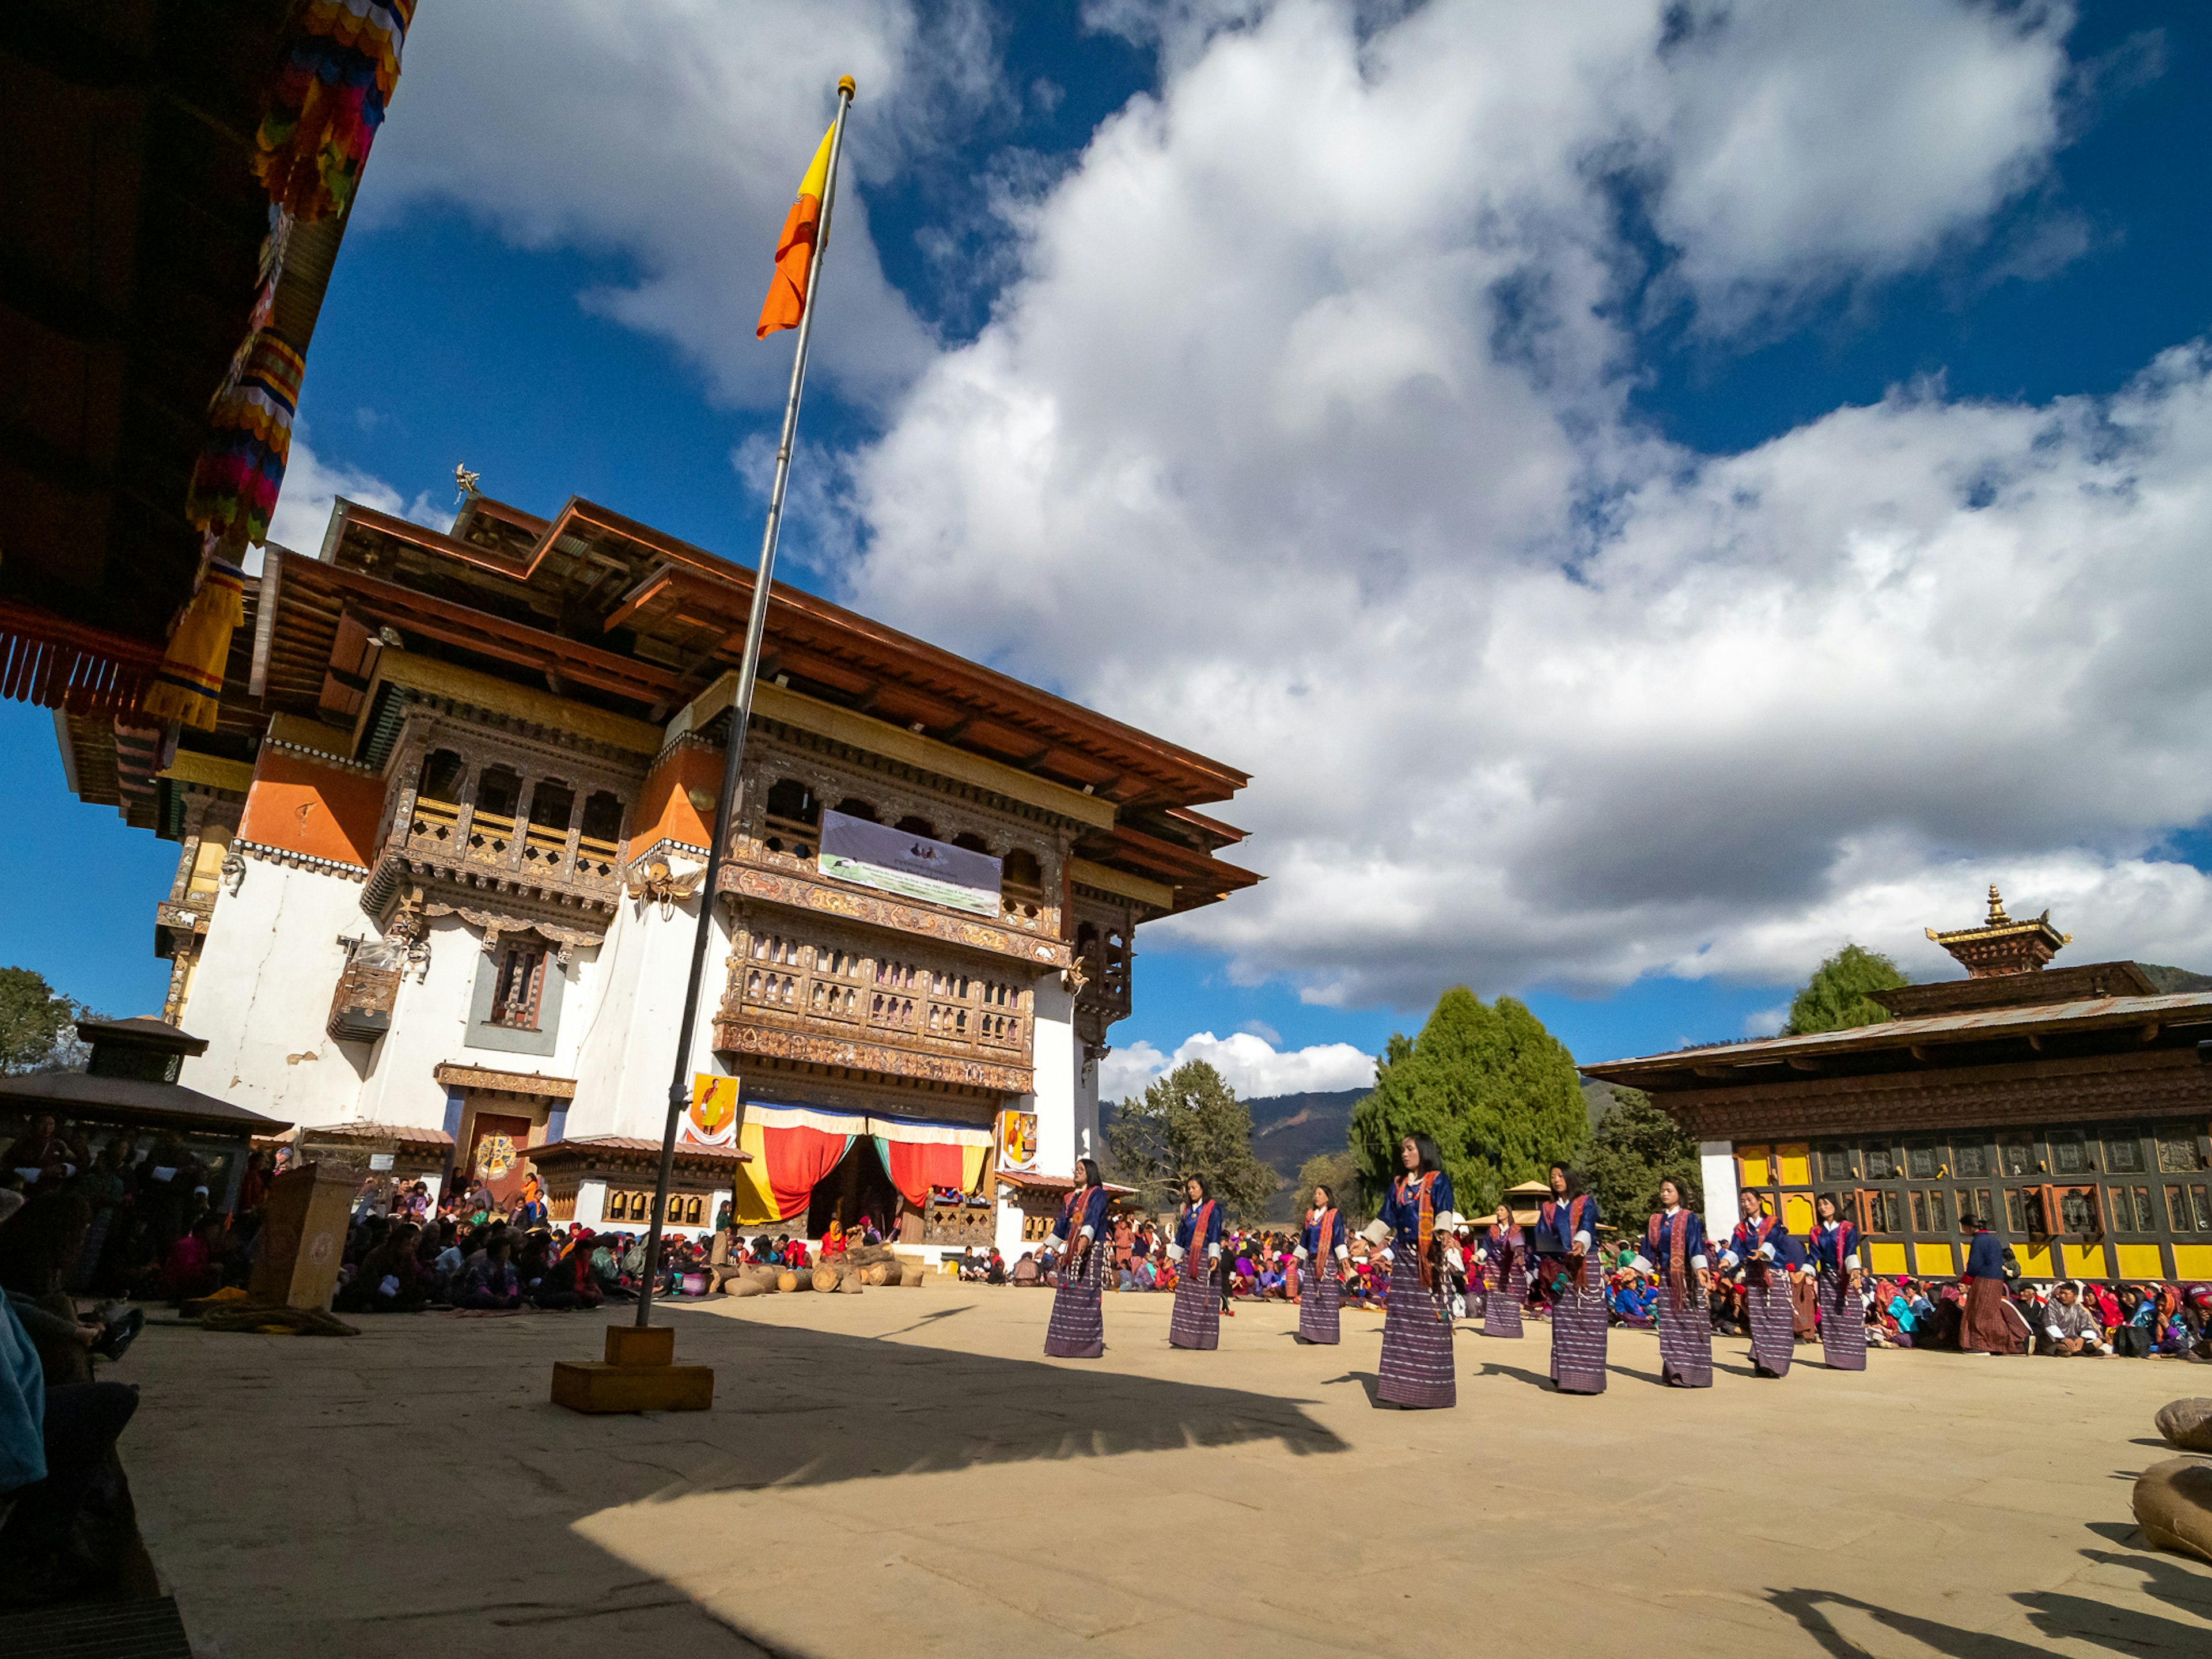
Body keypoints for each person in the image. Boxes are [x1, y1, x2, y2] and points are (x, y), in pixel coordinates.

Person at [1375, 1134, 1456, 1408]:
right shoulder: (1398, 1186)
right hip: (1405, 1261)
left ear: (1423, 1151)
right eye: (1403, 1150)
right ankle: (1403, 1390)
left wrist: (1444, 1232)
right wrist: (1365, 1241)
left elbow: (1445, 1210)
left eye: (1410, 1149)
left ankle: (1430, 1392)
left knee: (1430, 1321)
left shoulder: (1437, 1181)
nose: (1405, 1154)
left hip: (1429, 1259)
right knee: (1402, 1323)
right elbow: (1386, 1217)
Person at [1533, 1162, 1605, 1394]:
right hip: (1561, 1269)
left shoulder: (1586, 1202)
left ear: (1570, 1178)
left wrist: (1581, 1242)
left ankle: (1590, 1380)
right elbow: (1541, 1236)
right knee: (1564, 1324)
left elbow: (1588, 1224)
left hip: (1586, 1265)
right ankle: (1565, 1377)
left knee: (1589, 1321)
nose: (1556, 1180)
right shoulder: (1547, 1209)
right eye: (1553, 1176)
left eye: (1561, 1175)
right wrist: (1554, 1259)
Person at [1719, 1190, 1804, 1378]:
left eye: (1750, 1200)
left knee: (1779, 1320)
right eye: (1743, 1201)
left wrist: (1762, 1253)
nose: (1746, 1204)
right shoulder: (1742, 1228)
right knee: (1760, 1320)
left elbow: (1775, 1241)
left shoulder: (1774, 1223)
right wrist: (1727, 1260)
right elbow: (1736, 1248)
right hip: (1754, 1276)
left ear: (1759, 1201)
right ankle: (1762, 1362)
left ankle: (1777, 1364)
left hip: (1775, 1275)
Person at [1638, 1177, 1710, 1387]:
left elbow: (1696, 1246)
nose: (1665, 1194)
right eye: (1662, 1190)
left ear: (1679, 1193)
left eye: (1669, 1190)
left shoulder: (1690, 1219)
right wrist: (1633, 1271)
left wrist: (1701, 1269)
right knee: (1670, 1326)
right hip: (1667, 1279)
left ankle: (1694, 1374)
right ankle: (1675, 1371)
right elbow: (1647, 1251)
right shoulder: (1655, 1221)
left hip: (1688, 1279)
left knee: (1690, 1325)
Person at [1043, 1159, 1109, 1358]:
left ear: (1090, 1173)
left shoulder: (1097, 1194)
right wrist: (1048, 1246)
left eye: (1081, 1170)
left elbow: (1093, 1216)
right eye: (1076, 1169)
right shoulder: (1071, 1198)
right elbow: (1063, 1223)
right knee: (1067, 1293)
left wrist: (1084, 1238)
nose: (1077, 1173)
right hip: (1072, 1250)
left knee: (1086, 1295)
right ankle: (1063, 1344)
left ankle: (1086, 1347)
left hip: (1090, 1249)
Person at [1808, 1192, 1866, 1371]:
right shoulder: (1816, 1231)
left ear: (1835, 1205)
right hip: (1826, 1277)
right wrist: (1805, 1270)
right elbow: (1814, 1254)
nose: (1823, 1208)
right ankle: (1835, 1359)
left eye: (1826, 1204)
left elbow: (1850, 1251)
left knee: (1850, 1316)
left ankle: (1853, 1360)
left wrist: (1854, 1272)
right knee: (1831, 1318)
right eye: (1820, 1205)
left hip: (1845, 1276)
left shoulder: (1848, 1228)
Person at [1168, 1175, 1225, 1349]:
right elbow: (1181, 1235)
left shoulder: (1213, 1209)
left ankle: (1202, 1341)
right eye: (1189, 1188)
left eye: (1194, 1188)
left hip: (1205, 1258)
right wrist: (1171, 1257)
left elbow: (1215, 1233)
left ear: (1203, 1188)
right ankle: (1183, 1338)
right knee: (1185, 1299)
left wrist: (1214, 1256)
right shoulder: (1187, 1211)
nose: (1191, 1191)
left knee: (1202, 1302)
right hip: (1188, 1257)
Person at [1959, 1215, 2027, 1355]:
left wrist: (1967, 1277)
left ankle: (1980, 1346)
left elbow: (1975, 1264)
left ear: (1969, 1227)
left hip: (1984, 1280)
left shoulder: (1979, 1241)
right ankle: (2008, 1343)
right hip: (1997, 1280)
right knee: (1993, 1313)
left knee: (1978, 1312)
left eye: (1964, 1227)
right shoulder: (1994, 1240)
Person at [1294, 1184, 1348, 1344]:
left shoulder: (1334, 1216)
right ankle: (1310, 1334)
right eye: (1315, 1193)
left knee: (1327, 1297)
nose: (1316, 1196)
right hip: (1310, 1261)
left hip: (1327, 1261)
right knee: (1310, 1298)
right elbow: (1305, 1240)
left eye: (1320, 1194)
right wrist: (1296, 1257)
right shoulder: (1310, 1217)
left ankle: (1327, 1335)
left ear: (1327, 1198)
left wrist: (1344, 1259)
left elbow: (1339, 1237)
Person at [1475, 1203, 1526, 1339]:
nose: (1499, 1212)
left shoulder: (1516, 1230)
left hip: (1509, 1267)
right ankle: (1494, 1329)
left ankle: (1511, 1330)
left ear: (1508, 1213)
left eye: (1502, 1210)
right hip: (1493, 1267)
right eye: (1497, 1210)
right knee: (1494, 1296)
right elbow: (1486, 1246)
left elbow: (1519, 1246)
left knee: (1510, 1297)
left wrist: (1518, 1255)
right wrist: (1478, 1255)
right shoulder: (1492, 1230)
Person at [2041, 1281, 2109, 1355]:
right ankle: (2079, 1351)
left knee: (2098, 1342)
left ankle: (2077, 1350)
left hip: (2074, 1340)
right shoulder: (2053, 1304)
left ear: (2075, 1297)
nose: (2062, 1296)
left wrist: (2082, 1339)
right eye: (2062, 1293)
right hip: (2056, 1340)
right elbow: (2050, 1324)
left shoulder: (2080, 1309)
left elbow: (2088, 1327)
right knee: (2066, 1348)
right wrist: (2062, 1339)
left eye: (2066, 1294)